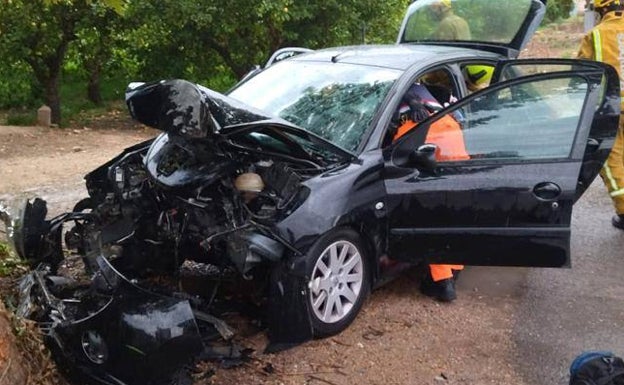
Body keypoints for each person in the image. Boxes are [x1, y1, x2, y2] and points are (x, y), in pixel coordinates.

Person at [393, 83, 469, 302]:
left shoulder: (410, 125)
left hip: (435, 177)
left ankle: (443, 283)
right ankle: (452, 274)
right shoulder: (451, 119)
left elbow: (394, 161)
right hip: (463, 176)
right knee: (454, 223)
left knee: (432, 222)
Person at [577, 0, 624, 230]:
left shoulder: (596, 35)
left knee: (613, 157)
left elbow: (580, 73)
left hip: (611, 107)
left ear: (602, 9)